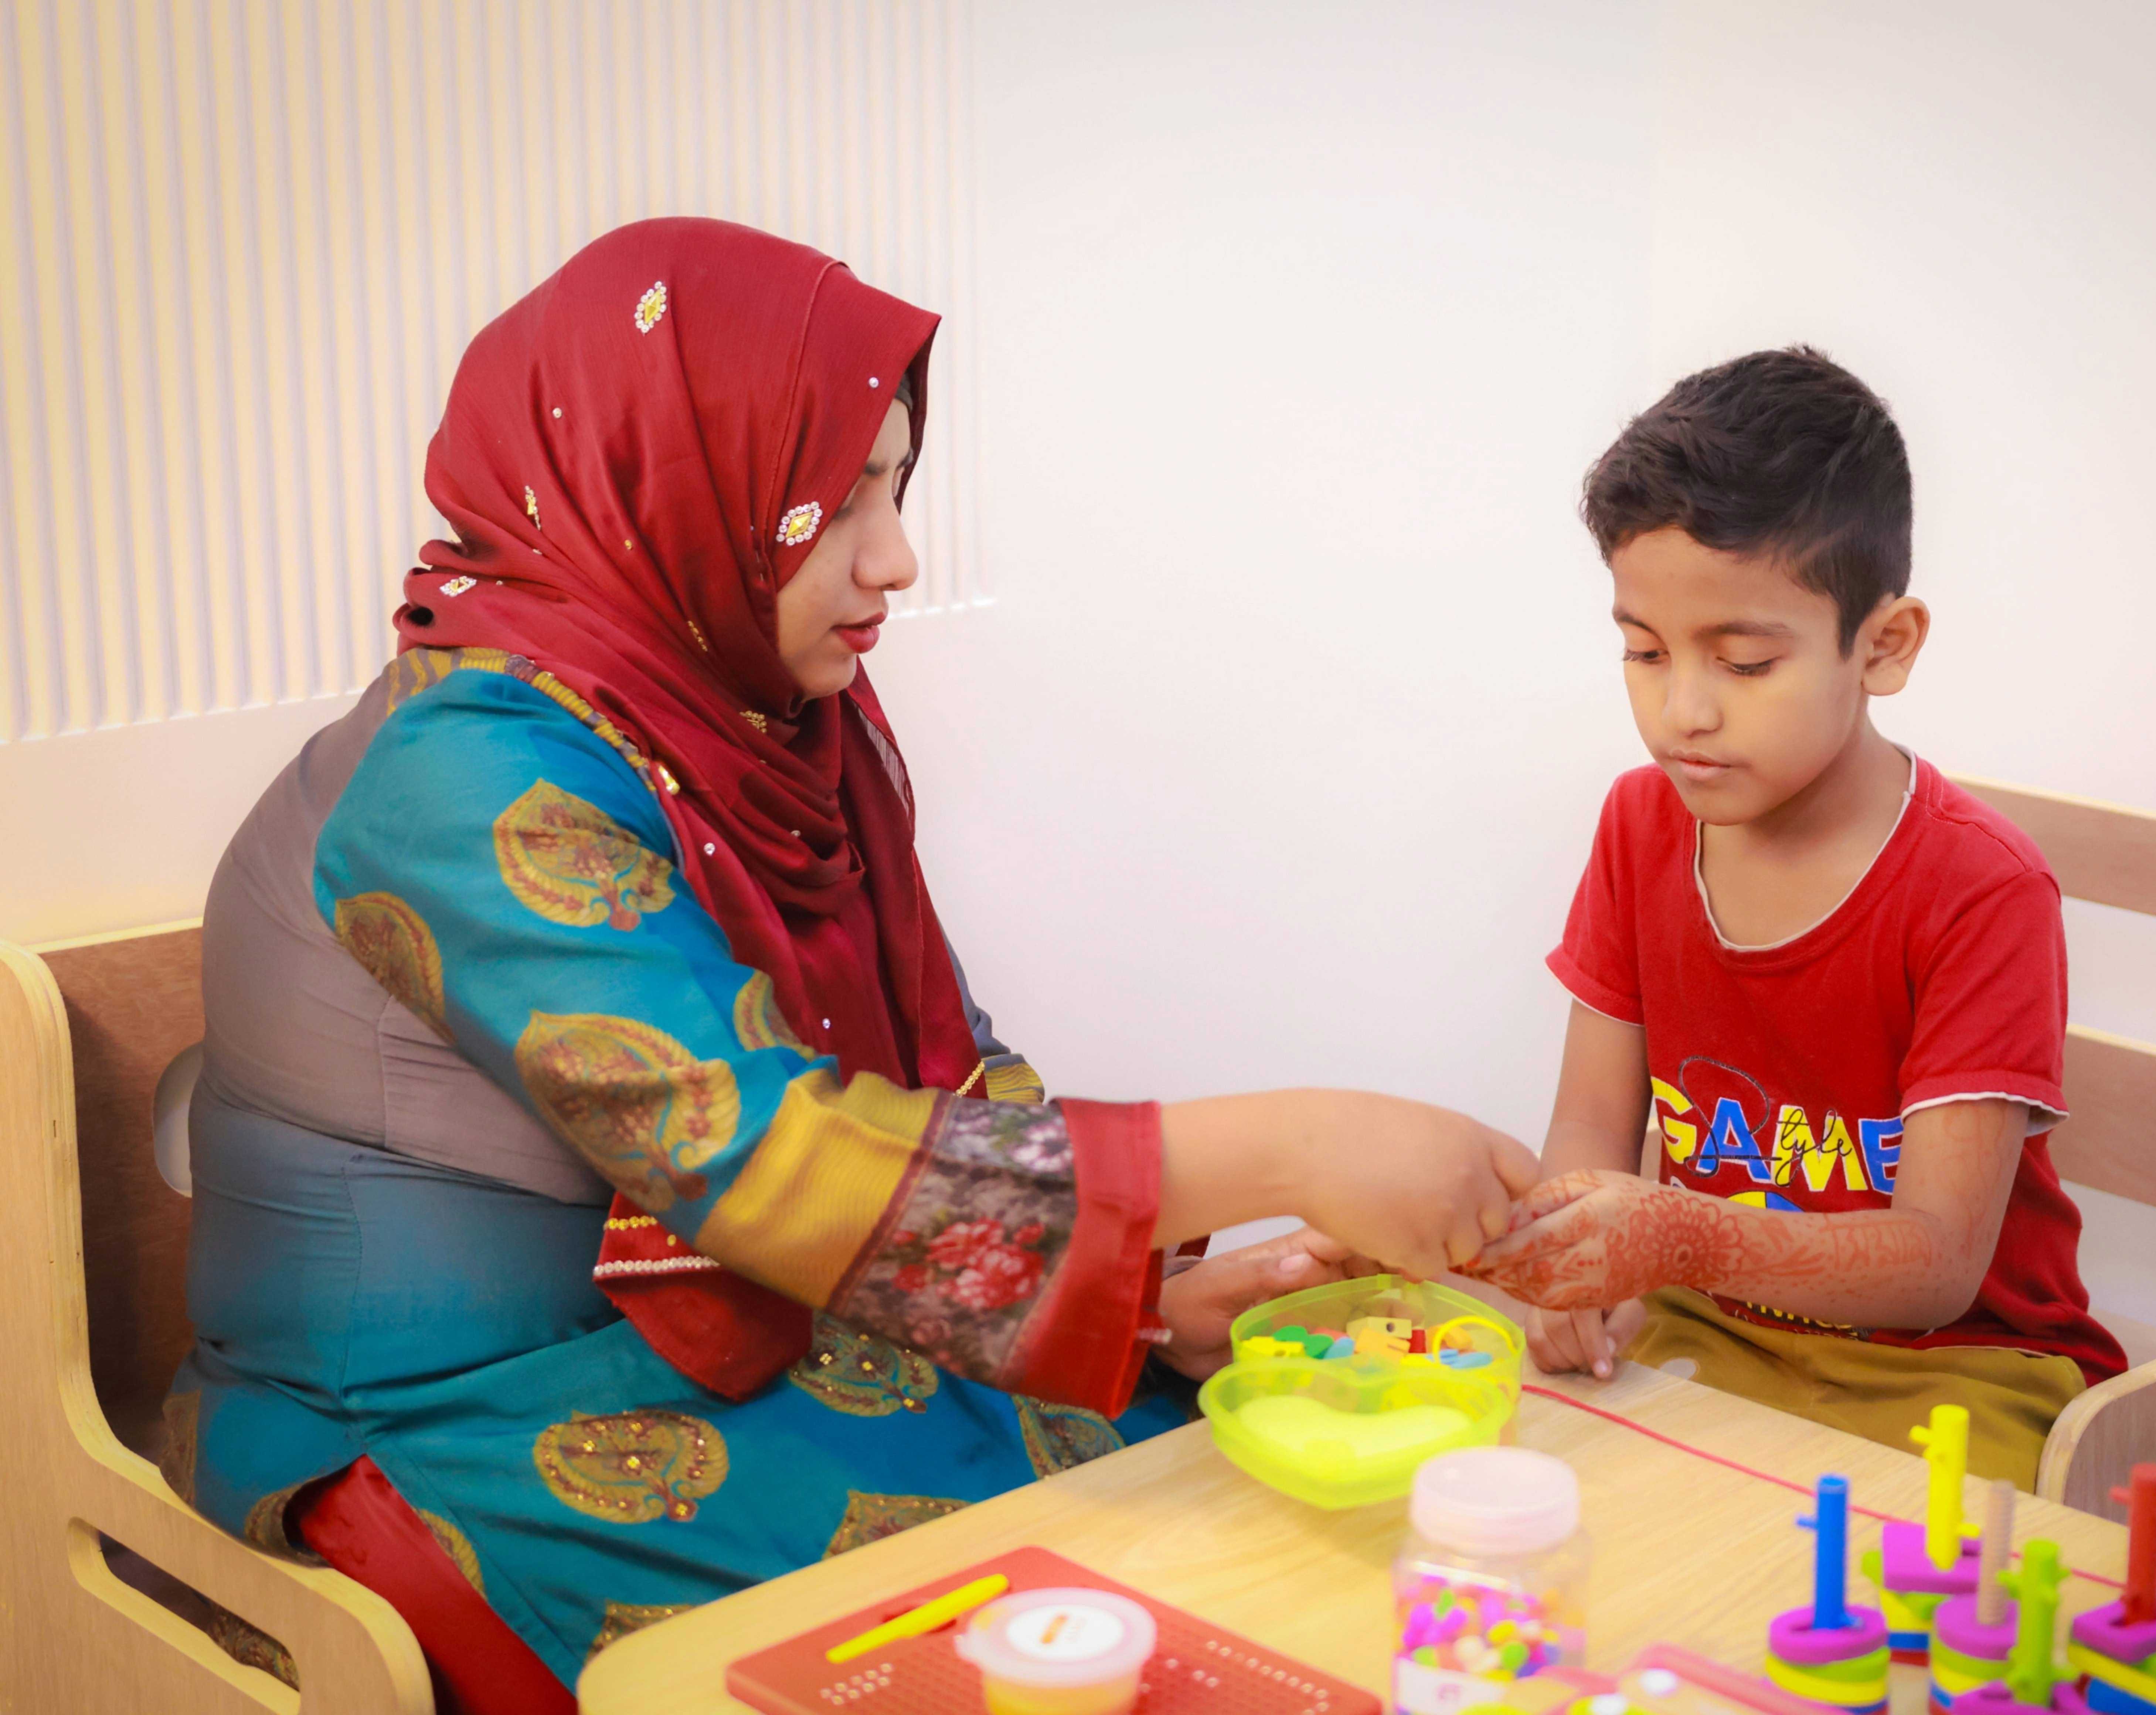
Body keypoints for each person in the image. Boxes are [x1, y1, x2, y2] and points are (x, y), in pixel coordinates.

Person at [163, 217, 1535, 1707]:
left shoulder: (763, 721)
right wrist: (1296, 1141)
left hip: (730, 1321)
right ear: (677, 482)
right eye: (838, 498)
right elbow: (757, 1151)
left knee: (1182, 1496)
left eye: (893, 482)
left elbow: (939, 1069)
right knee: (985, 1609)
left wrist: (1147, 1296)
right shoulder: (464, 778)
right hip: (444, 1414)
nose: (896, 553)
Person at [1461, 348, 2122, 1485]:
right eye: (1643, 650)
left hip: (1959, 1372)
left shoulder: (1981, 888)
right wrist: (1587, 1268)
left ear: (1884, 646)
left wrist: (1670, 1236)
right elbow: (1591, 1128)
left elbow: (1937, 1264)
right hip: (1708, 1328)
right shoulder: (1639, 827)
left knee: (1865, 1616)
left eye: (1746, 660)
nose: (1683, 711)